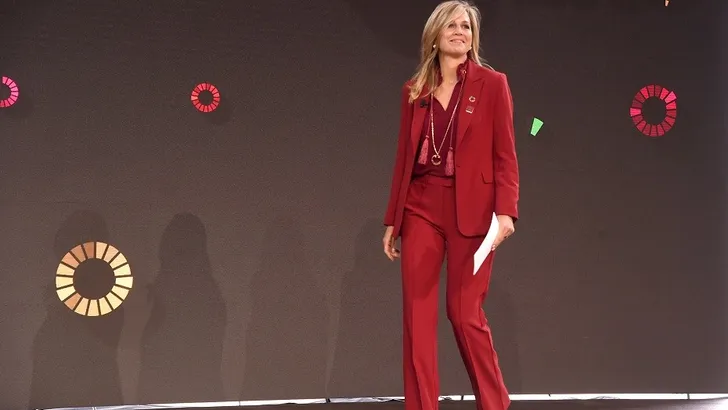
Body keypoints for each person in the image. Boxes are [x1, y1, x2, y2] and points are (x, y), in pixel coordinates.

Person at [381, 1, 519, 410]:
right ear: (435, 35)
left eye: (467, 26)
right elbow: (404, 159)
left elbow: (505, 153)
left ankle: (494, 403)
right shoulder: (415, 90)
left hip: (473, 211)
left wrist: (506, 211)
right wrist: (393, 218)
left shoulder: (493, 84)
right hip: (420, 207)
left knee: (464, 313)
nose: (460, 32)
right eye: (452, 25)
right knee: (417, 318)